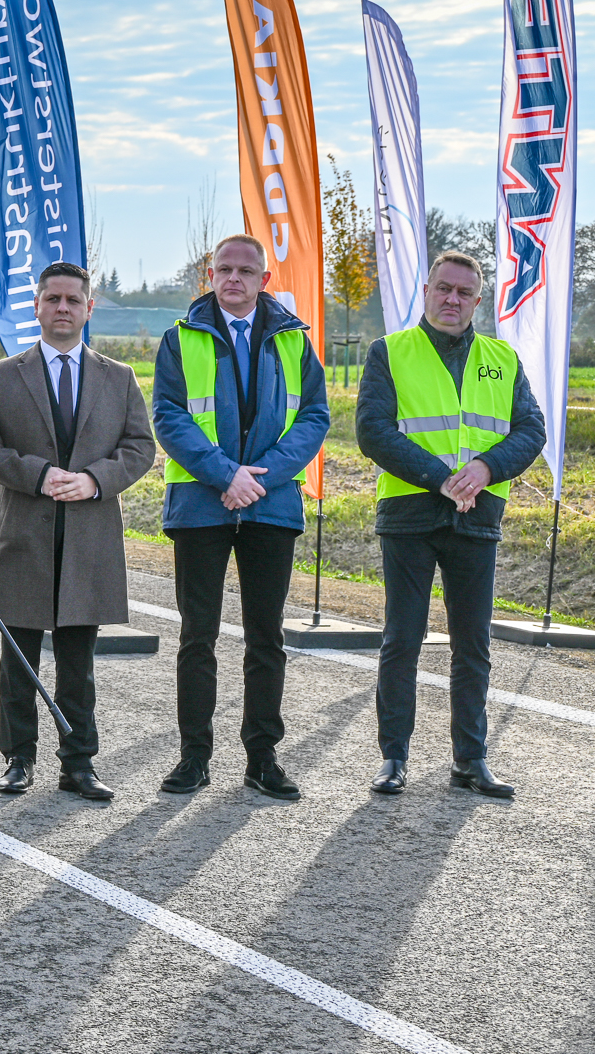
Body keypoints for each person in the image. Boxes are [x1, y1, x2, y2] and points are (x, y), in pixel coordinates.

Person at [0, 261, 155, 801]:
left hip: (89, 539)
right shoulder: (5, 374)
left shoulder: (119, 377)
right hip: (24, 536)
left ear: (89, 308)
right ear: (37, 306)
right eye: (53, 299)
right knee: (18, 660)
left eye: (73, 300)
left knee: (78, 665)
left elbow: (141, 447)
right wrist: (38, 475)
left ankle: (79, 763)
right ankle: (17, 759)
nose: (63, 308)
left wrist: (95, 480)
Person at [356, 251, 544, 797]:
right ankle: (393, 757)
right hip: (410, 516)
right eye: (443, 288)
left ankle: (470, 759)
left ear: (477, 301)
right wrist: (441, 478)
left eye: (464, 292)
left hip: (477, 516)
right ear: (427, 290)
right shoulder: (389, 351)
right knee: (403, 639)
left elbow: (531, 429)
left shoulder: (502, 358)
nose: (452, 299)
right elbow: (373, 431)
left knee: (473, 645)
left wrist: (486, 468)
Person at [152, 234, 328, 800]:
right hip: (201, 504)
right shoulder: (180, 338)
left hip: (270, 506)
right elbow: (169, 417)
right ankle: (194, 758)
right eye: (224, 269)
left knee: (266, 638)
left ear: (264, 279)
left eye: (245, 271)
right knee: (197, 636)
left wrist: (259, 479)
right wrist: (226, 475)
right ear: (210, 274)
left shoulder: (295, 341)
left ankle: (262, 758)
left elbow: (314, 417)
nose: (234, 278)